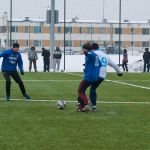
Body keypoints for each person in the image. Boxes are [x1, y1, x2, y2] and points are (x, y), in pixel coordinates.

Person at [90, 43, 123, 111]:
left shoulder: (93, 54)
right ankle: (93, 106)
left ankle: (86, 104)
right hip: (102, 76)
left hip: (95, 74)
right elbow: (114, 64)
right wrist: (119, 72)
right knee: (93, 88)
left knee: (84, 88)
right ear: (98, 47)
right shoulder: (105, 55)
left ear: (92, 48)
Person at [77, 43, 102, 112]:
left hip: (89, 77)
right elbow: (100, 64)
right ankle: (82, 107)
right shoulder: (96, 55)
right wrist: (88, 67)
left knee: (80, 90)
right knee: (83, 91)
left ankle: (87, 102)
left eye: (83, 49)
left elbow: (88, 54)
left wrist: (85, 52)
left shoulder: (90, 54)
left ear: (85, 49)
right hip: (95, 77)